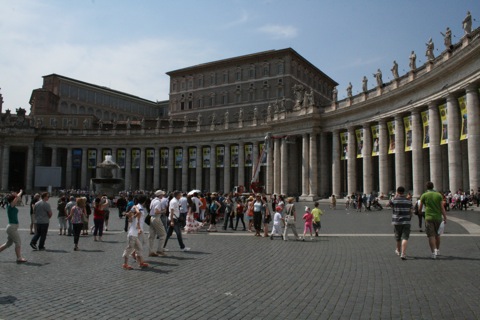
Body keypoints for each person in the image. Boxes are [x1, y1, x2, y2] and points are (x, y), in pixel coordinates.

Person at [418, 181, 447, 259]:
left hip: (429, 217)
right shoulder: (438, 195)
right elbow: (442, 208)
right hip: (438, 217)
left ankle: (433, 253)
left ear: (426, 187)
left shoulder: (424, 195)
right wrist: (445, 217)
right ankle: (437, 250)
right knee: (437, 235)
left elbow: (420, 208)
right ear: (433, 186)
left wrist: (420, 213)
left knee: (431, 236)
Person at [122, 194, 149, 270]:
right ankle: (125, 264)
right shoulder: (135, 214)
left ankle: (140, 263)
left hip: (135, 234)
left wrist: (133, 209)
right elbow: (137, 213)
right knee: (129, 248)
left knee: (139, 248)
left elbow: (132, 215)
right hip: (132, 234)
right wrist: (134, 208)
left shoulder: (135, 215)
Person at [0, 189, 27, 262]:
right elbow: (17, 198)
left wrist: (16, 195)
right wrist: (20, 192)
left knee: (8, 244)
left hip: (12, 227)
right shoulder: (11, 206)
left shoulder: (11, 206)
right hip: (12, 227)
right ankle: (19, 258)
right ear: (13, 200)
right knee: (18, 242)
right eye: (15, 199)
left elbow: (19, 199)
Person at [390, 186, 412, 260]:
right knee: (405, 237)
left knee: (398, 237)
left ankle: (398, 250)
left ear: (397, 192)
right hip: (406, 220)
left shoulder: (394, 200)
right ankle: (403, 253)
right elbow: (411, 210)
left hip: (397, 221)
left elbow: (389, 204)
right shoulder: (408, 200)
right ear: (404, 192)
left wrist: (395, 197)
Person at [148, 190, 168, 257]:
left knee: (151, 236)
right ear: (160, 195)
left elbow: (150, 209)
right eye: (162, 194)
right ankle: (160, 250)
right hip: (156, 218)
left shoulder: (153, 200)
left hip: (151, 218)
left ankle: (150, 251)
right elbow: (156, 211)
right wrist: (163, 211)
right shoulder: (158, 202)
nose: (163, 195)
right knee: (163, 235)